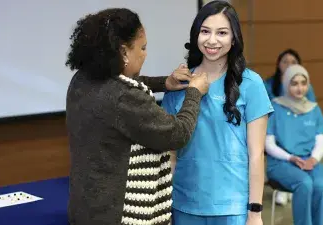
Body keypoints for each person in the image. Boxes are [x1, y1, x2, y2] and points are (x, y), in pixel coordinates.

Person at [65, 8, 210, 225]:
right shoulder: (124, 97)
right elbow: (177, 134)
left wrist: (164, 83)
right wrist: (194, 93)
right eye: (142, 48)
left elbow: (122, 86)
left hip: (86, 206)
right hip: (117, 214)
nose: (145, 54)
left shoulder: (82, 79)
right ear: (123, 52)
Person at [162, 1, 273, 225]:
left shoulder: (251, 84)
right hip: (184, 204)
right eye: (205, 31)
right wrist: (163, 206)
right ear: (196, 35)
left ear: (234, 39)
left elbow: (256, 155)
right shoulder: (179, 83)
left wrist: (255, 212)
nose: (212, 40)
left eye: (222, 33)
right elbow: (170, 155)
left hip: (233, 208)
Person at [265, 64, 323, 225]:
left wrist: (314, 160)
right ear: (286, 84)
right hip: (282, 162)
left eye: (303, 83)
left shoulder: (313, 109)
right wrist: (291, 157)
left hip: (309, 161)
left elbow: (320, 140)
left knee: (322, 185)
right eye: (294, 83)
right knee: (304, 183)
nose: (300, 88)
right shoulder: (275, 108)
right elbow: (268, 144)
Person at [264, 48, 317, 206]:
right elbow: (263, 110)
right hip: (274, 127)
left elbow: (312, 108)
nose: (288, 65)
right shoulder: (268, 84)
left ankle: (296, 182)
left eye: (293, 62)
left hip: (299, 127)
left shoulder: (306, 86)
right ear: (278, 64)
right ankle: (284, 186)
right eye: (285, 61)